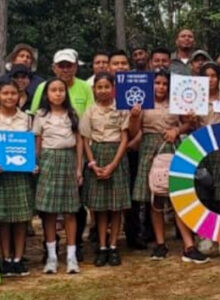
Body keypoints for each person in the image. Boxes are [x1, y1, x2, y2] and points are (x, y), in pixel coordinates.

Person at [130, 69, 208, 263]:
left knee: (178, 197)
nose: (161, 87)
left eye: (165, 84)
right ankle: (160, 244)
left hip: (173, 147)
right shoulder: (142, 102)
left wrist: (178, 129)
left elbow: (188, 124)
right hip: (150, 149)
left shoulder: (177, 100)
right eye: (157, 83)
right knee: (155, 197)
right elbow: (133, 131)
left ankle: (188, 246)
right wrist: (134, 116)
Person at [80, 73, 132, 267]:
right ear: (94, 89)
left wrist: (113, 164)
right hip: (97, 155)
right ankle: (102, 246)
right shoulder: (90, 111)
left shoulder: (121, 109)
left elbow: (125, 138)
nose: (103, 91)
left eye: (106, 87)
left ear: (113, 89)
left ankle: (113, 246)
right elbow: (85, 139)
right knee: (100, 208)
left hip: (116, 155)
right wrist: (92, 164)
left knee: (116, 207)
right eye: (99, 87)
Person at [33, 78, 83, 274]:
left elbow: (79, 141)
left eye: (61, 90)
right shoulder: (41, 115)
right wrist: (36, 163)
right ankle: (52, 257)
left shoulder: (72, 114)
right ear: (47, 94)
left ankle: (71, 257)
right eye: (53, 90)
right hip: (48, 161)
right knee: (49, 212)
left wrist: (79, 168)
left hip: (68, 160)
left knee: (70, 211)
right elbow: (38, 142)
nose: (58, 93)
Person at [195, 62, 220, 256]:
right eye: (206, 76)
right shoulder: (194, 99)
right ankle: (207, 235)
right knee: (204, 193)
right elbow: (189, 124)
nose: (210, 80)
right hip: (200, 148)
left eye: (213, 76)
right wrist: (190, 118)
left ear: (219, 78)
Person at [0, 79, 35, 277]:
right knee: (3, 218)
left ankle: (19, 258)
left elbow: (32, 146)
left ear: (19, 96)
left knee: (21, 218)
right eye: (5, 93)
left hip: (21, 175)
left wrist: (33, 163)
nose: (9, 97)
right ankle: (6, 258)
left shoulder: (27, 119)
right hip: (1, 176)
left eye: (13, 93)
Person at [30, 49, 94, 118]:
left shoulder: (85, 87)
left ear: (76, 67)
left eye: (69, 66)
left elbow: (91, 114)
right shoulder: (43, 87)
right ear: (54, 68)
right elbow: (34, 114)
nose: (65, 70)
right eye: (61, 66)